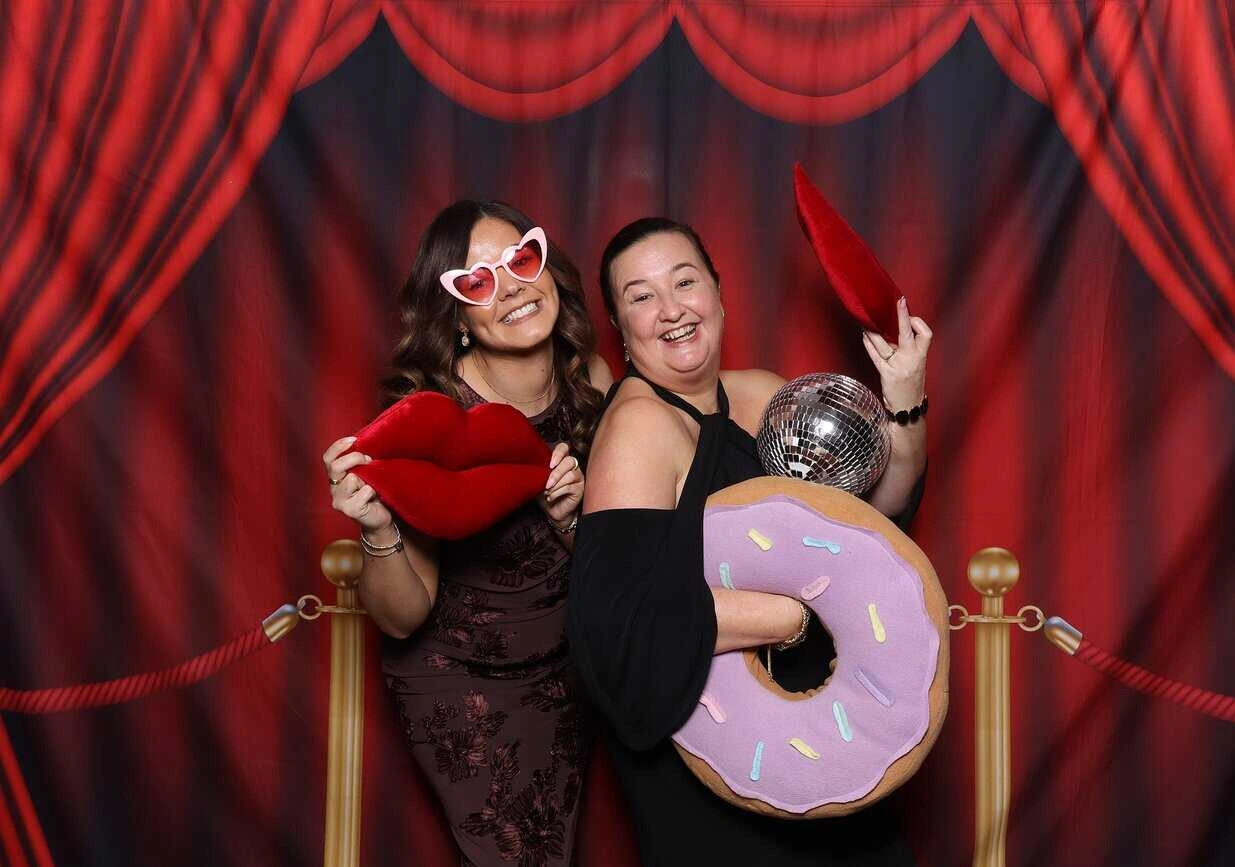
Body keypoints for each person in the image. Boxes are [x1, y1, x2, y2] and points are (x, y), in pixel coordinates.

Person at [568, 217, 931, 865]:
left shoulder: (759, 394)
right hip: (707, 749)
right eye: (641, 295)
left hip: (812, 721)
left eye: (685, 282)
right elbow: (615, 622)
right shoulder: (638, 428)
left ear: (717, 291)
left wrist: (904, 400)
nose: (671, 309)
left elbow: (875, 520)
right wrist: (790, 616)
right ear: (620, 328)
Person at [322, 200, 613, 866]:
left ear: (546, 269)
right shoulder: (429, 422)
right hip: (457, 678)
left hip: (567, 670)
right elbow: (402, 618)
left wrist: (575, 517)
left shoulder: (591, 384)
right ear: (455, 319)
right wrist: (376, 527)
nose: (509, 284)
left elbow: (615, 560)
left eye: (521, 259)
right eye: (476, 280)